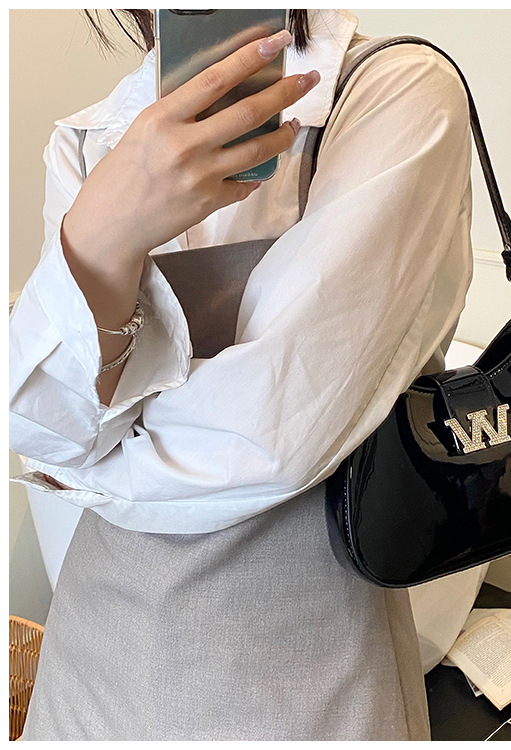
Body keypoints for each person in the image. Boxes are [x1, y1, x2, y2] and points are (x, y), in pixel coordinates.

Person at [9, 9, 473, 741]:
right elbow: (44, 430)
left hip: (303, 674)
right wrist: (106, 230)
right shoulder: (91, 139)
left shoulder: (396, 91)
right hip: (90, 668)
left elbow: (265, 441)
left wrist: (78, 456)